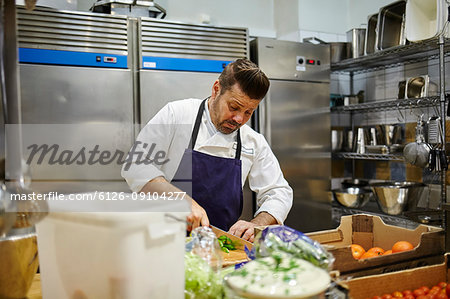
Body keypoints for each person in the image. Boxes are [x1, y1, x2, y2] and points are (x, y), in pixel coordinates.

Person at [121, 58, 292, 241]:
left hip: (219, 247)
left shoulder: (253, 141)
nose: (239, 119)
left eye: (249, 112)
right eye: (234, 107)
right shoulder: (177, 114)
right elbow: (136, 165)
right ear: (216, 89)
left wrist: (257, 224)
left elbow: (279, 191)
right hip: (160, 239)